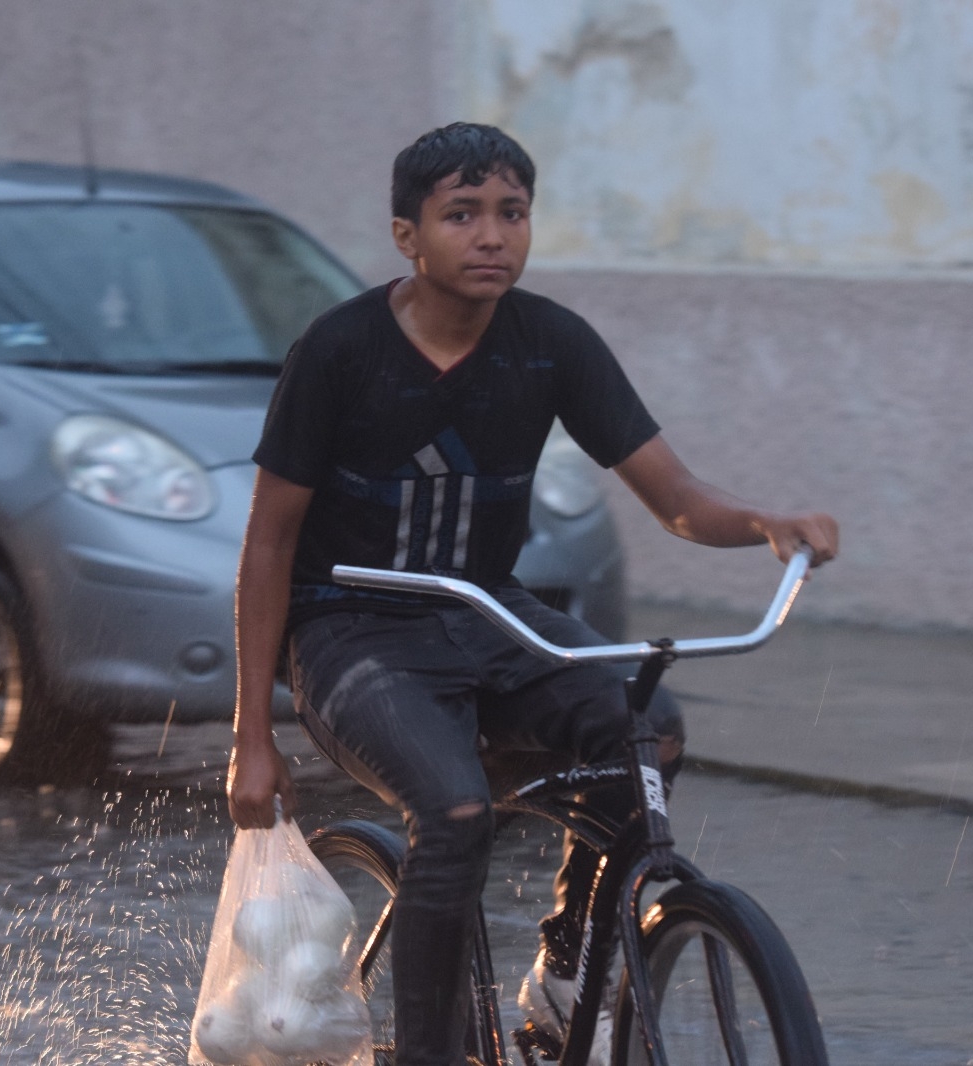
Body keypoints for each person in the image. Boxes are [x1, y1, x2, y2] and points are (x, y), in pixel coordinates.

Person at [228, 123, 838, 1064]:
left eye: (512, 213)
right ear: (407, 236)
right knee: (456, 813)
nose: (492, 236)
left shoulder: (551, 342)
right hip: (350, 632)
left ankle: (565, 974)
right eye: (461, 214)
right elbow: (267, 545)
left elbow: (675, 500)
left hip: (490, 616)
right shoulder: (340, 350)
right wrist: (251, 740)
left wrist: (763, 521)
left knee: (649, 734)